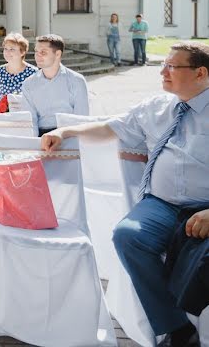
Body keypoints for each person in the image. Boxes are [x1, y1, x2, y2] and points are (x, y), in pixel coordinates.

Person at [41, 42, 209, 347]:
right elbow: (109, 128)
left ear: (200, 73)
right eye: (164, 64)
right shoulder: (156, 107)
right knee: (127, 236)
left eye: (172, 66)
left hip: (204, 209)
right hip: (161, 204)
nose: (163, 71)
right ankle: (177, 328)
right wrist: (66, 133)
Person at [21, 34, 89, 136]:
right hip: (41, 135)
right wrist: (35, 144)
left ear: (57, 54)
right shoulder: (29, 84)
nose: (37, 55)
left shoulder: (77, 81)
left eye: (43, 52)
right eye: (36, 51)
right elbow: (31, 121)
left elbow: (82, 119)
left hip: (69, 134)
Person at [0, 33, 37, 111]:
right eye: (5, 49)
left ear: (22, 52)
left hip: (25, 117)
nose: (7, 52)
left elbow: (36, 100)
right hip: (3, 118)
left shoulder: (33, 72)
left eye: (12, 49)